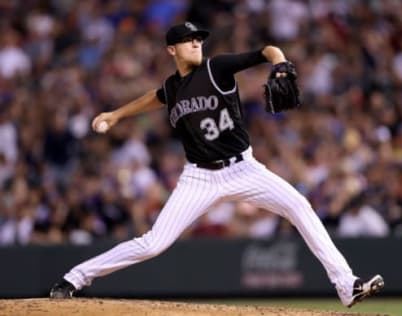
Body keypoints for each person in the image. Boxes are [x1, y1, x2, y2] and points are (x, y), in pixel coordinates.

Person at [49, 22, 384, 307]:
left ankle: (346, 285)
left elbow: (266, 50)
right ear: (171, 50)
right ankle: (74, 278)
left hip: (244, 169)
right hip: (199, 178)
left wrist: (280, 64)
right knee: (153, 243)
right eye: (188, 40)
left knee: (299, 204)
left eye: (198, 39)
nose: (196, 43)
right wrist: (116, 114)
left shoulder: (216, 68)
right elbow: (154, 97)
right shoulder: (172, 86)